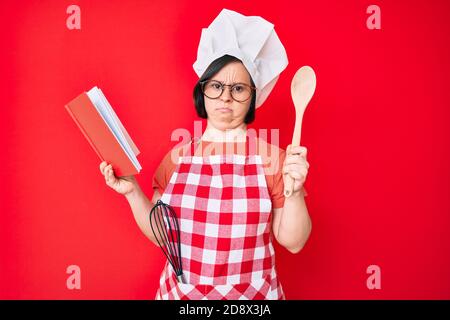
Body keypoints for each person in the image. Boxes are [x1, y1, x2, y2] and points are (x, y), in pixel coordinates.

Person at [99, 9, 311, 300]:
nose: (225, 97)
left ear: (253, 95)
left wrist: (296, 192)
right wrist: (132, 191)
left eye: (238, 88)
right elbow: (164, 236)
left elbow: (294, 242)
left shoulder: (275, 160)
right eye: (216, 86)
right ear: (203, 91)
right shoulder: (177, 158)